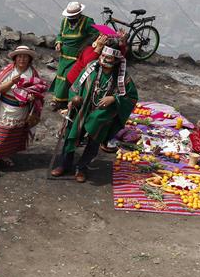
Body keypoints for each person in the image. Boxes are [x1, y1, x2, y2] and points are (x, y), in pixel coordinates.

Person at [51, 46, 138, 182]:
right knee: (70, 134)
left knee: (95, 138)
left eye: (108, 57)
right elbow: (76, 85)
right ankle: (65, 164)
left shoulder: (121, 76)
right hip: (83, 107)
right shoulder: (92, 67)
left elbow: (131, 97)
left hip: (102, 113)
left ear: (115, 60)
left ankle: (82, 167)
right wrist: (72, 100)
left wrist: (114, 98)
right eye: (102, 55)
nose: (103, 59)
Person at [0, 45, 46, 167]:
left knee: (12, 135)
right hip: (4, 107)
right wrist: (12, 82)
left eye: (25, 57)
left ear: (29, 59)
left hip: (21, 110)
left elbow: (38, 92)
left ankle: (5, 155)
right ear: (15, 59)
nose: (22, 59)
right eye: (19, 57)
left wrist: (33, 97)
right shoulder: (7, 72)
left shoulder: (33, 74)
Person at [49, 1, 99, 109]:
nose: (71, 18)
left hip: (76, 55)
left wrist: (86, 45)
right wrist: (58, 42)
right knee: (60, 75)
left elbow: (95, 34)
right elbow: (60, 34)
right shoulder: (64, 21)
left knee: (70, 76)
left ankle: (68, 99)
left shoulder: (87, 21)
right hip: (64, 54)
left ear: (79, 14)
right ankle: (57, 98)